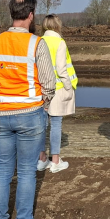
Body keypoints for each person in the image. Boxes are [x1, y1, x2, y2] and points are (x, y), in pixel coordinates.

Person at [0, 0, 55, 219]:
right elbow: (49, 83)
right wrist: (42, 104)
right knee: (25, 173)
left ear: (11, 14)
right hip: (30, 114)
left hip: (0, 114)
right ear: (31, 15)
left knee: (2, 172)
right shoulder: (37, 44)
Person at [37, 14, 78, 173]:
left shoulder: (38, 41)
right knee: (56, 125)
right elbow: (62, 69)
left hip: (40, 89)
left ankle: (41, 159)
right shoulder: (59, 42)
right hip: (58, 88)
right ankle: (55, 161)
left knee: (41, 124)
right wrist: (69, 87)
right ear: (57, 26)